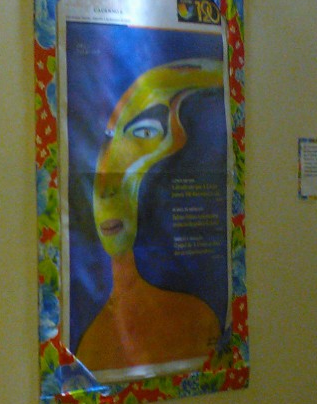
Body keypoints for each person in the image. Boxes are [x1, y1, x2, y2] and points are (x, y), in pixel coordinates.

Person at [75, 57, 223, 374]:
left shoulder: (197, 319)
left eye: (144, 132)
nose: (105, 185)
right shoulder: (91, 346)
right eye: (106, 141)